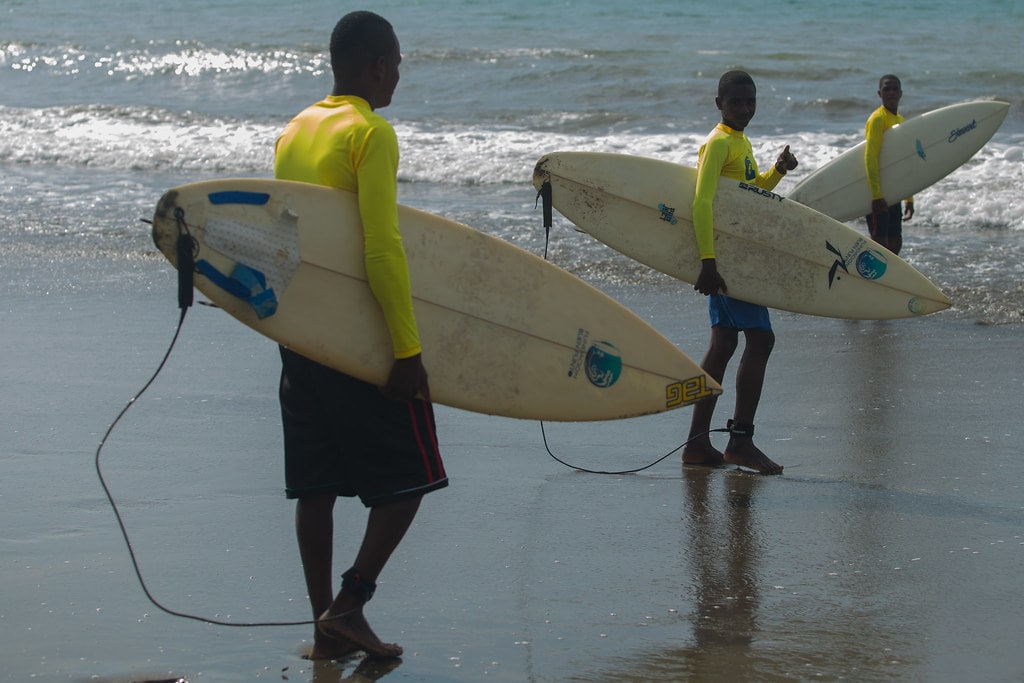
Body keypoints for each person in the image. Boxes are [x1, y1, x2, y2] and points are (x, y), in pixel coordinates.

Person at [273, 11, 448, 660]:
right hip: (354, 338)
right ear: (377, 64)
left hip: (299, 334)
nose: (400, 72)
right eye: (397, 62)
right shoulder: (370, 132)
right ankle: (350, 604)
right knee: (412, 479)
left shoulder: (296, 128)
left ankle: (324, 629)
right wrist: (407, 349)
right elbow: (382, 248)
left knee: (315, 486)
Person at [680, 70, 796, 476]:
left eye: (751, 102)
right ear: (719, 104)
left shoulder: (739, 142)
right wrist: (708, 262)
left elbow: (750, 194)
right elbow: (701, 203)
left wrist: (777, 171)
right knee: (761, 340)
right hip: (727, 265)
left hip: (732, 260)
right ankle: (740, 441)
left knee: (724, 345)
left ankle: (697, 445)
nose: (745, 109)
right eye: (736, 103)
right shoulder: (717, 144)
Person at [864, 74, 914, 254]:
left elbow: (903, 162)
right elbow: (870, 156)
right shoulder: (877, 119)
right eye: (887, 89)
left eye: (895, 89)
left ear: (901, 93)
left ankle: (887, 282)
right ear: (879, 93)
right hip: (879, 194)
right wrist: (876, 195)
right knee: (879, 247)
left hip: (894, 192)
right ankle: (871, 282)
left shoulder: (900, 120)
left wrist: (909, 198)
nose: (891, 92)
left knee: (895, 244)